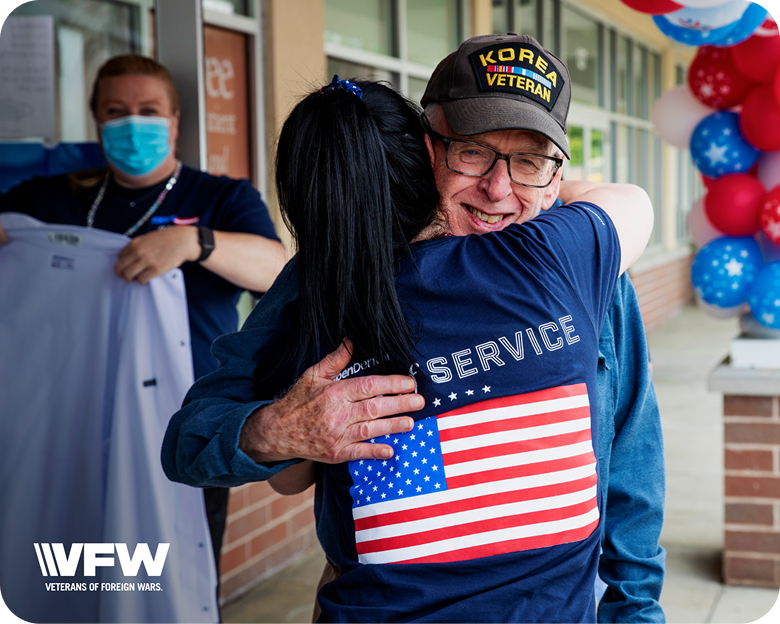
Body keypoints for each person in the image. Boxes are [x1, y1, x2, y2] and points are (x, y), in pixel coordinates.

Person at [163, 34, 659, 622]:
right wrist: (279, 430)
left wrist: (636, 611)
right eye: (472, 153)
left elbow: (632, 461)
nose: (498, 191)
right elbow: (193, 439)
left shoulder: (586, 271)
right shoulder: (338, 269)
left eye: (529, 161)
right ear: (427, 150)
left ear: (557, 178)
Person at [0, 55, 286, 609]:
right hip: (65, 422)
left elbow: (276, 269)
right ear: (96, 120)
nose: (133, 123)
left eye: (149, 111)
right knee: (72, 571)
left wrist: (195, 243)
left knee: (164, 580)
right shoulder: (49, 199)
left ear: (175, 121)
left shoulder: (220, 199)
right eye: (117, 111)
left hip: (184, 425)